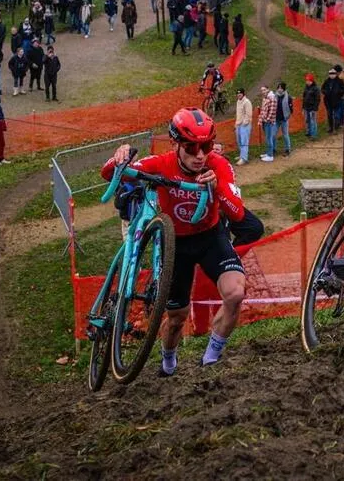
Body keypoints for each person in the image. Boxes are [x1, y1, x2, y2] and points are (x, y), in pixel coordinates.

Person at [101, 108, 247, 375]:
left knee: (236, 293)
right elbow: (109, 174)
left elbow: (237, 212)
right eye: (191, 147)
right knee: (177, 318)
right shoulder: (161, 163)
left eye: (206, 146)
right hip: (175, 245)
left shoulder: (219, 165)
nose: (200, 155)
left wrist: (217, 188)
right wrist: (119, 155)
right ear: (175, 144)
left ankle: (211, 358)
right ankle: (168, 362)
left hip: (210, 238)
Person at [321, 68, 344, 134]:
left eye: (333, 74)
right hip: (328, 101)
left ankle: (336, 127)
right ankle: (331, 128)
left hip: (337, 101)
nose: (332, 75)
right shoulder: (326, 81)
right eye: (330, 74)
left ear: (335, 74)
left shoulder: (339, 81)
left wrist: (338, 93)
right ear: (329, 74)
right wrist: (325, 92)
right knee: (329, 115)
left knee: (336, 115)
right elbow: (322, 89)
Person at [258, 85, 277, 162]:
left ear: (268, 89)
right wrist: (260, 120)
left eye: (264, 90)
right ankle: (268, 152)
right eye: (262, 90)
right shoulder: (265, 98)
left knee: (269, 138)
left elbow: (272, 111)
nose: (263, 92)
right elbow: (263, 110)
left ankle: (270, 155)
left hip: (269, 122)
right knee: (267, 138)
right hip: (264, 121)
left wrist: (267, 120)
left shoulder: (272, 98)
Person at [234, 88, 252, 165]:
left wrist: (244, 123)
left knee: (244, 142)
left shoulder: (247, 102)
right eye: (237, 94)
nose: (239, 95)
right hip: (238, 124)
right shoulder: (238, 101)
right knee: (239, 141)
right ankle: (241, 155)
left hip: (245, 125)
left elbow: (248, 114)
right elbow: (238, 113)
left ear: (243, 94)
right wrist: (236, 123)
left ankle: (244, 158)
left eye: (240, 93)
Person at [274, 82, 293, 157]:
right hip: (276, 119)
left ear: (284, 89)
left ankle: (287, 149)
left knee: (285, 134)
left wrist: (287, 116)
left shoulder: (288, 97)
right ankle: (273, 149)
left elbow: (291, 109)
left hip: (284, 119)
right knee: (273, 134)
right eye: (278, 88)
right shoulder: (274, 96)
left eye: (281, 88)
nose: (279, 89)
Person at [302, 73, 321, 139]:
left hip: (312, 108)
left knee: (313, 121)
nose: (307, 82)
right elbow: (304, 98)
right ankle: (308, 132)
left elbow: (318, 99)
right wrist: (303, 107)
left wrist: (315, 108)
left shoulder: (316, 89)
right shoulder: (306, 88)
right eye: (306, 80)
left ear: (312, 81)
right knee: (307, 120)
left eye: (309, 80)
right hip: (306, 107)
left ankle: (314, 135)